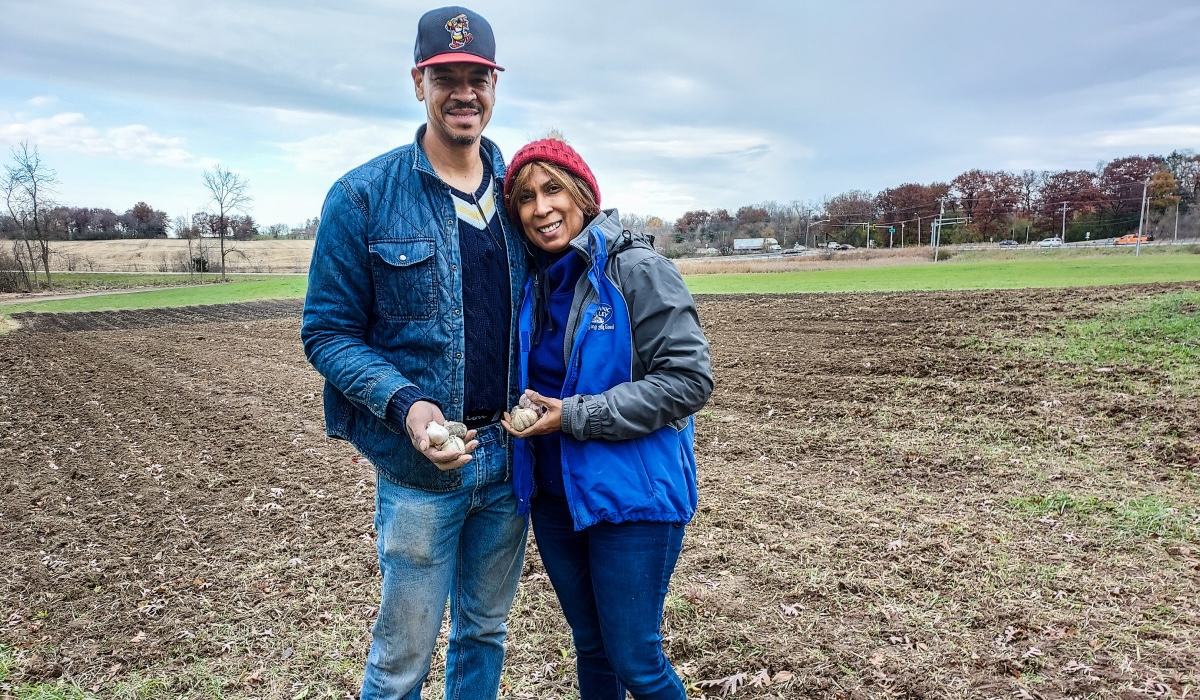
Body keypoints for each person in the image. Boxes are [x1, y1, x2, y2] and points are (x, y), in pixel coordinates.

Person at [300, 7, 527, 699]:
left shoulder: (520, 192)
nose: (465, 92)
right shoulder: (363, 196)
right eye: (446, 76)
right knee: (401, 663)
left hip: (509, 459)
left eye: (478, 77)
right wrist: (407, 406)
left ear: (494, 85)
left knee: (484, 634)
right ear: (418, 82)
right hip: (420, 474)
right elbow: (327, 332)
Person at [500, 138, 713, 700]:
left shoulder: (637, 269)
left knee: (636, 661)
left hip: (631, 496)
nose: (540, 207)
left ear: (584, 195)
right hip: (554, 497)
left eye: (552, 189)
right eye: (525, 198)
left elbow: (688, 380)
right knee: (591, 651)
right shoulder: (535, 283)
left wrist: (573, 416)